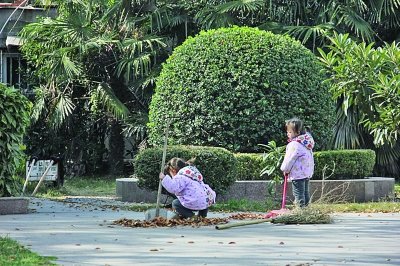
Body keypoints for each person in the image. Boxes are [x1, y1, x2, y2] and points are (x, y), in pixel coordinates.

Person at [280, 117, 315, 207]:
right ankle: (306, 209)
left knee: (298, 193)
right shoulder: (306, 142)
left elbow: (289, 159)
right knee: (305, 192)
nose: (288, 134)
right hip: (306, 172)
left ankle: (300, 210)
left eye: (290, 132)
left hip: (297, 173)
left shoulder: (294, 144)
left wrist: (285, 169)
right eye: (287, 132)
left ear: (298, 132)